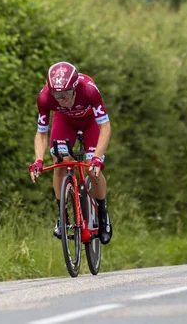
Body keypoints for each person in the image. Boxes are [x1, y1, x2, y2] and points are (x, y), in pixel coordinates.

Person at [28, 61, 113, 245]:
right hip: (64, 122)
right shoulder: (44, 97)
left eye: (66, 94)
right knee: (60, 163)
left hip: (91, 123)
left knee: (92, 169)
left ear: (75, 88)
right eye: (57, 94)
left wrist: (97, 159)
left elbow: (105, 126)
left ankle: (103, 212)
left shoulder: (89, 89)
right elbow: (41, 133)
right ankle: (62, 216)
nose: (61, 99)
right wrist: (38, 160)